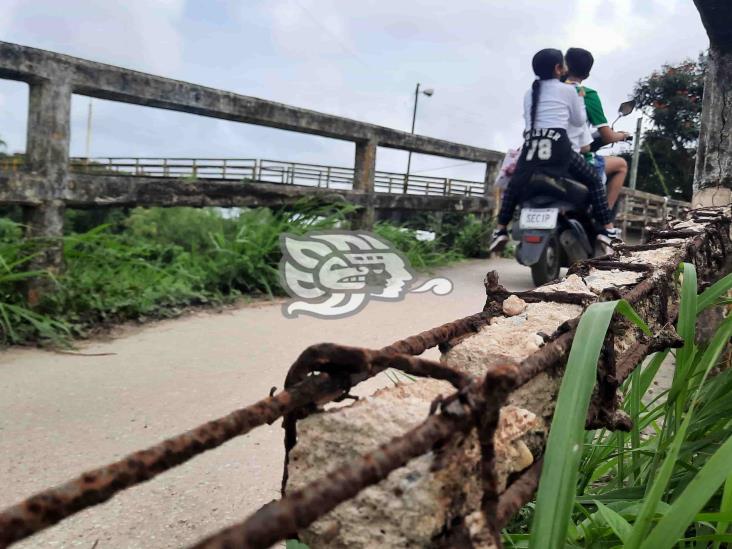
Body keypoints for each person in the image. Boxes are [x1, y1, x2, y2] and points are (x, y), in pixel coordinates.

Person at [489, 49, 620, 254]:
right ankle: (608, 231)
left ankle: (500, 230)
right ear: (558, 69)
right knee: (594, 180)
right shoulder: (569, 91)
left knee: (514, 187)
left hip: (531, 150)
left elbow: (528, 124)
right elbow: (577, 121)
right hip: (559, 149)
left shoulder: (529, 93)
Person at [564, 47, 631, 210]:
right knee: (621, 164)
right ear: (587, 74)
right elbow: (607, 136)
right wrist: (622, 135)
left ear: (564, 66)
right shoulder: (585, 94)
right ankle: (604, 216)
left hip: (538, 152)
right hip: (571, 156)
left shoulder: (545, 90)